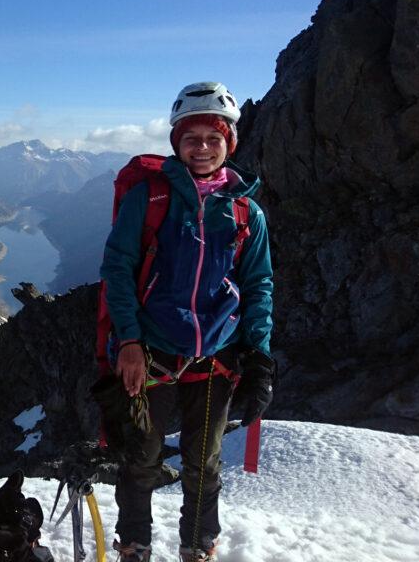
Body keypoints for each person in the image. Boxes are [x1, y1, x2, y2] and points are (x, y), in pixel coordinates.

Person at [99, 82, 275, 562]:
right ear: (176, 142)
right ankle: (134, 545)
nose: (202, 147)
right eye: (191, 138)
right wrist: (130, 341)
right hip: (151, 353)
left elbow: (258, 284)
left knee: (204, 464)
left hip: (217, 356)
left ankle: (198, 546)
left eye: (213, 138)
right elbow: (117, 269)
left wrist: (258, 355)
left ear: (229, 144)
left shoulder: (246, 213)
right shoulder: (149, 199)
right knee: (140, 458)